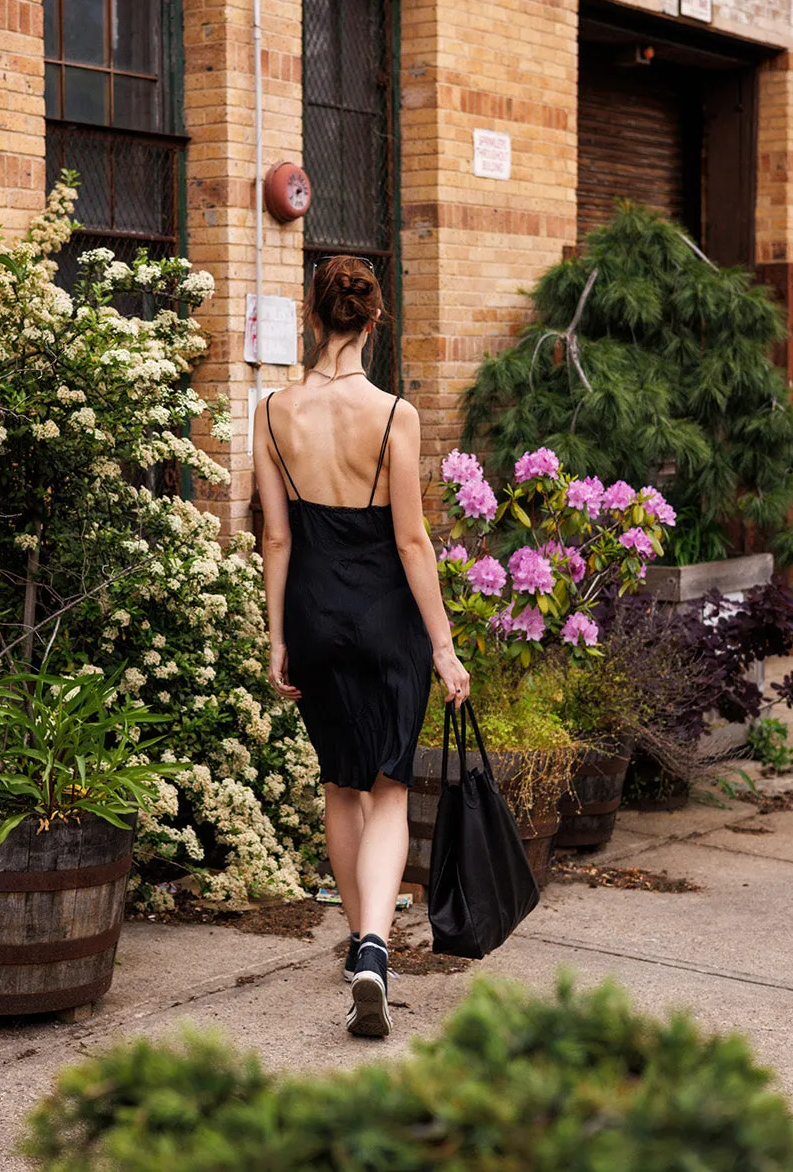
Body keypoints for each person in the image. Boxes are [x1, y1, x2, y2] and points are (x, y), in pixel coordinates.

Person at [253, 255, 470, 1039]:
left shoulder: (272, 410)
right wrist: (443, 647)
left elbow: (276, 535)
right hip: (386, 619)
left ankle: (358, 947)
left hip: (313, 612)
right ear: (373, 322)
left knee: (340, 783)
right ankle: (376, 945)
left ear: (315, 316)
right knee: (387, 785)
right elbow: (412, 539)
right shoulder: (394, 415)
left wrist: (276, 633)